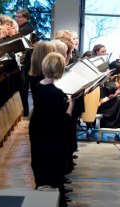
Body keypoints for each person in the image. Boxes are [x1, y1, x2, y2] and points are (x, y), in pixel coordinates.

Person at [29, 52, 73, 206]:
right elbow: (63, 122)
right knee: (54, 181)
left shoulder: (38, 86)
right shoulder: (56, 93)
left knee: (41, 180)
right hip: (52, 141)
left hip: (38, 136)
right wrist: (70, 105)